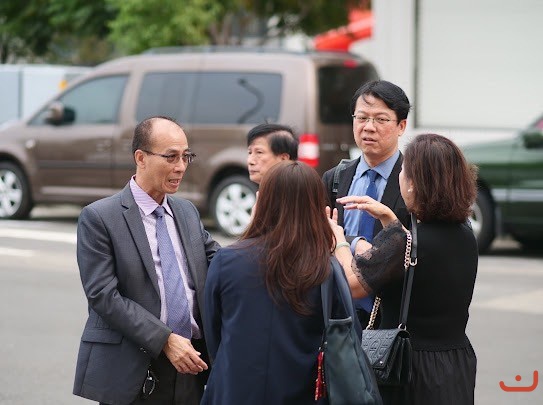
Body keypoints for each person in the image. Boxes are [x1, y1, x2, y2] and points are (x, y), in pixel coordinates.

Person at [73, 116, 220, 405]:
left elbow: (220, 262)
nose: (181, 166)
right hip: (133, 366)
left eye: (186, 156)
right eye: (171, 156)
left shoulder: (187, 212)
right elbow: (103, 295)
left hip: (191, 364)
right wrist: (165, 339)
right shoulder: (100, 217)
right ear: (140, 158)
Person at [330, 133, 478, 405]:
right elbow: (421, 266)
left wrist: (340, 241)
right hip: (455, 360)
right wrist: (390, 221)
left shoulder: (403, 242)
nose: (399, 177)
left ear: (414, 184)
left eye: (404, 171)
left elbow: (352, 284)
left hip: (407, 366)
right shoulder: (465, 233)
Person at [202, 161, 337, 405]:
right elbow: (343, 336)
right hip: (303, 390)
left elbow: (213, 332)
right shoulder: (325, 267)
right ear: (316, 206)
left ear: (263, 201)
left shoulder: (227, 260)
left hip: (234, 389)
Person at [322, 80, 411, 327]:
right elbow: (317, 233)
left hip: (389, 318)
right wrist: (354, 242)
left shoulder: (412, 183)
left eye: (381, 119)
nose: (368, 127)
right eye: (361, 118)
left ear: (401, 126)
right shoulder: (335, 178)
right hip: (339, 313)